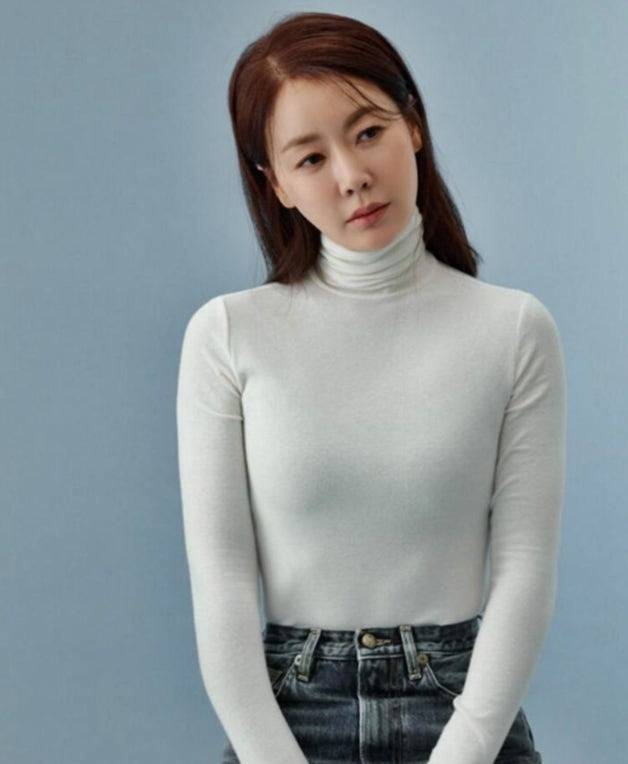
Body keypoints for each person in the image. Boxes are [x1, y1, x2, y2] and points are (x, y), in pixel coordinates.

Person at [175, 11, 567, 764]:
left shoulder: (514, 330)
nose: (351, 175)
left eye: (367, 132)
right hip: (287, 718)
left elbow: (525, 569)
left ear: (412, 124)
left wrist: (463, 751)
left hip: (462, 711)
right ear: (275, 184)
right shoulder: (227, 335)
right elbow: (221, 582)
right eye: (310, 157)